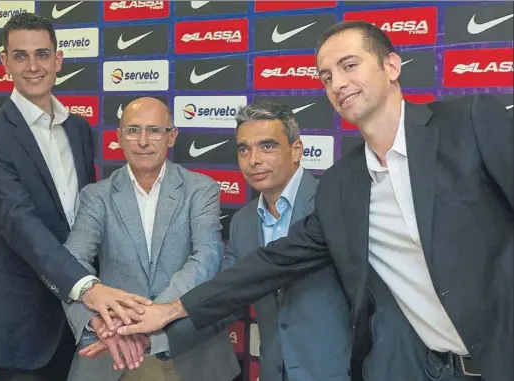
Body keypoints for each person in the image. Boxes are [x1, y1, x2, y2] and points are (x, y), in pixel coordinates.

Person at [113, 21, 513, 381]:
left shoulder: (469, 122)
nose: (337, 83)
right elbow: (273, 263)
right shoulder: (343, 184)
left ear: (391, 66)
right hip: (431, 369)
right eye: (326, 76)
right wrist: (171, 310)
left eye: (349, 65)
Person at [0, 13, 149, 381]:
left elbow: (87, 219)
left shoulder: (79, 129)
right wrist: (87, 287)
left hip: (82, 323)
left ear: (58, 60)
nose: (33, 66)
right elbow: (18, 221)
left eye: (42, 54)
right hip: (24, 327)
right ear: (5, 62)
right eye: (21, 56)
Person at [136, 99, 352, 381]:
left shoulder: (332, 203)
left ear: (296, 150)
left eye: (268, 146)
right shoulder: (243, 222)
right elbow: (225, 301)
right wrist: (153, 340)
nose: (254, 160)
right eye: (243, 149)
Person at [61, 97, 240, 381]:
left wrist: (152, 317)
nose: (143, 140)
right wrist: (96, 321)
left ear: (172, 136)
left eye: (154, 130)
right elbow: (69, 267)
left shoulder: (200, 189)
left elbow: (206, 257)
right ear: (119, 137)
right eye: (133, 130)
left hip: (191, 352)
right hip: (112, 350)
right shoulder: (96, 196)